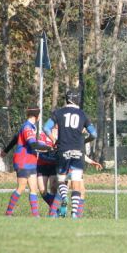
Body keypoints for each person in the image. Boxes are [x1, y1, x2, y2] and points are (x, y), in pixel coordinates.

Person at [43, 89, 97, 219]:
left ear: (66, 99)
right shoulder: (82, 114)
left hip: (63, 150)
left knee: (62, 180)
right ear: (78, 100)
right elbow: (94, 134)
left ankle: (63, 198)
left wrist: (54, 139)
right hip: (78, 151)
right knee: (76, 183)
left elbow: (46, 128)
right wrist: (85, 140)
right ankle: (74, 214)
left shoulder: (58, 112)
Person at [3, 107, 52, 217]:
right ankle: (8, 213)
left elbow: (16, 138)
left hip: (30, 161)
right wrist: (48, 148)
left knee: (33, 189)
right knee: (21, 187)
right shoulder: (27, 128)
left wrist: (5, 150)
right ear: (37, 116)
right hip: (23, 160)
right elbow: (33, 144)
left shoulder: (28, 126)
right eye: (39, 115)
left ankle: (36, 216)